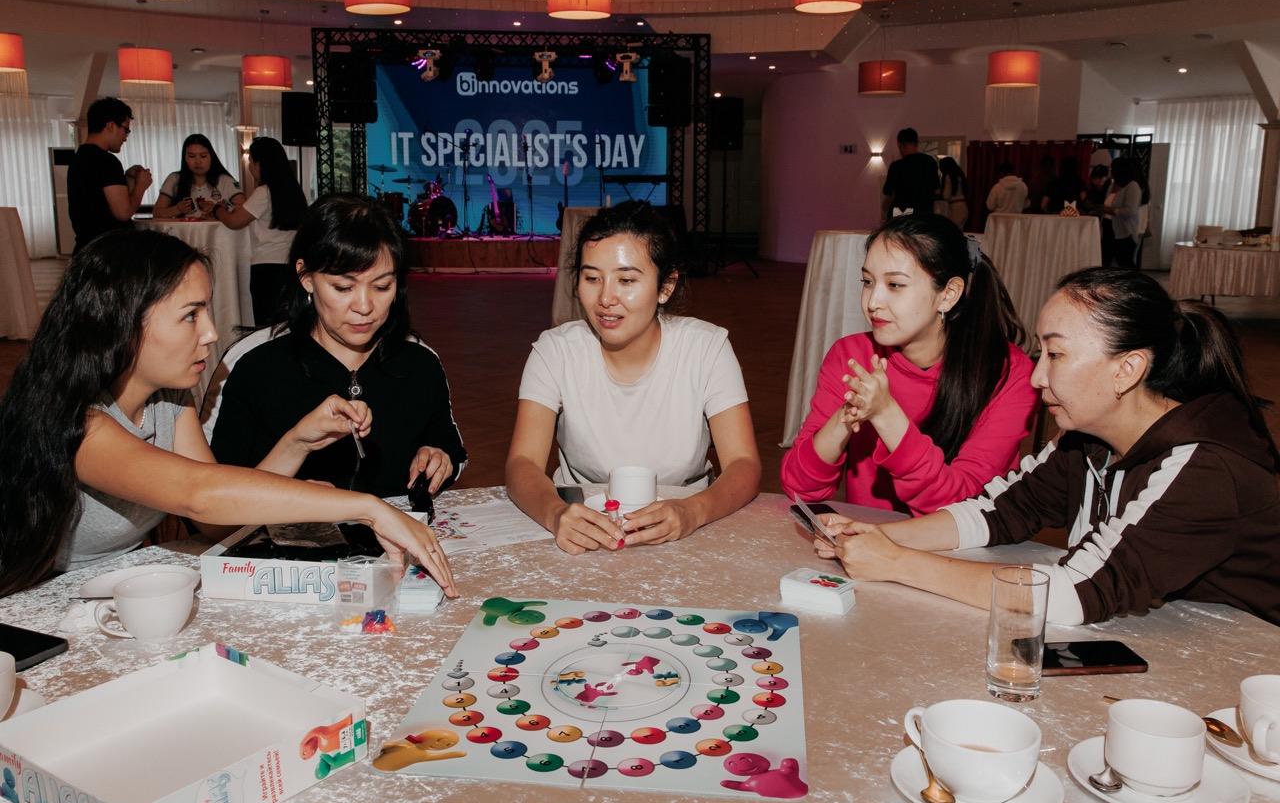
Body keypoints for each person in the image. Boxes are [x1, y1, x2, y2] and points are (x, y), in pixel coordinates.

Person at [0, 229, 455, 600]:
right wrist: (370, 508)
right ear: (122, 321)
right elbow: (198, 494)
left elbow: (217, 520)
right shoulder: (79, 420)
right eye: (190, 316)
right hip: (39, 597)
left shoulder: (169, 400)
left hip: (119, 587)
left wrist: (297, 441)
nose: (211, 333)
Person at [814, 268, 1280, 627]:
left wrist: (898, 563)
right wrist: (879, 537)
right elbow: (996, 512)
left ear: (1127, 369)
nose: (1037, 377)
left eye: (1055, 355)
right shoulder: (1085, 438)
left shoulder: (1206, 468)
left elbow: (1077, 592)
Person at [505, 200, 760, 554]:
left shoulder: (706, 348)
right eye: (592, 278)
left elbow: (744, 464)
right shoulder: (555, 352)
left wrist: (693, 511)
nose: (605, 298)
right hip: (584, 530)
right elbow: (523, 463)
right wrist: (556, 514)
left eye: (626, 280)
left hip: (687, 531)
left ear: (666, 286)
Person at [205, 194, 466, 499]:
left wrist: (440, 457)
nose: (365, 306)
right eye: (343, 287)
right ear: (306, 277)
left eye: (382, 286)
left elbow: (451, 447)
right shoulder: (254, 364)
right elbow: (215, 490)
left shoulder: (419, 362)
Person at [781, 213, 1037, 515]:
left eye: (895, 284)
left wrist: (885, 413)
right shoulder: (852, 356)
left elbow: (962, 512)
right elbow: (800, 488)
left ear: (948, 294)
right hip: (869, 539)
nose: (873, 302)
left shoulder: (1007, 373)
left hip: (955, 543)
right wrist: (848, 413)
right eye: (867, 282)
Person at [212, 137, 308, 325]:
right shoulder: (294, 191)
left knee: (267, 326)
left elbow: (234, 221)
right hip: (291, 265)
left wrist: (217, 209)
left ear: (259, 164)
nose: (250, 166)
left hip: (267, 268)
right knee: (288, 323)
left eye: (250, 161)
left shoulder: (264, 191)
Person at [67, 97, 151, 253]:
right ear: (111, 126)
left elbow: (98, 202)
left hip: (86, 246)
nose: (125, 138)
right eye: (126, 130)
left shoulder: (79, 157)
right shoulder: (106, 161)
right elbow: (123, 213)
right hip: (109, 250)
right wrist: (141, 185)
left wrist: (127, 177)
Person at [152, 134, 244, 220]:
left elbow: (243, 209)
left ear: (211, 157)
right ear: (185, 158)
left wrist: (219, 209)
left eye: (203, 156)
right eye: (191, 156)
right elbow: (156, 213)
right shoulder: (175, 179)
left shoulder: (226, 181)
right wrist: (177, 209)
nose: (198, 162)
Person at [881, 128, 939, 219]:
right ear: (916, 143)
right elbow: (936, 188)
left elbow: (887, 190)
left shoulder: (896, 166)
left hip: (901, 214)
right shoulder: (930, 161)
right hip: (924, 214)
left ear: (900, 144)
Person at [1104, 157, 1144, 269]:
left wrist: (1112, 211)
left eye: (1112, 169)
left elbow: (1130, 210)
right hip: (1108, 227)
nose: (1110, 172)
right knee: (1106, 260)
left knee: (1125, 262)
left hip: (1124, 230)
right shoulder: (1112, 186)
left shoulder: (1132, 186)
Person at [934, 157, 968, 230]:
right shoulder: (959, 175)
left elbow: (946, 195)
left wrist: (938, 192)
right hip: (963, 206)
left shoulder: (948, 177)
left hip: (955, 207)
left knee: (953, 230)